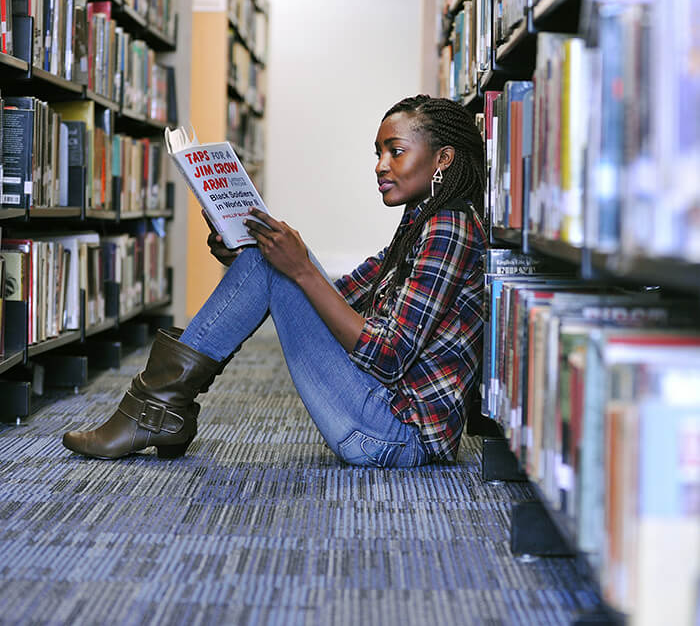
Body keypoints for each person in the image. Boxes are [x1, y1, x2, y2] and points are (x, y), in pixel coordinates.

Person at [63, 95, 496, 467]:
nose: (381, 166)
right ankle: (159, 411)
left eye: (396, 151)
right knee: (269, 258)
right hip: (384, 415)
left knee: (281, 263)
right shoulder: (422, 222)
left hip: (398, 435)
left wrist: (298, 268)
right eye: (377, 152)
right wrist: (254, 258)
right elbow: (340, 296)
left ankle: (155, 412)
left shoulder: (449, 229)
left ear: (443, 158)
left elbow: (388, 356)